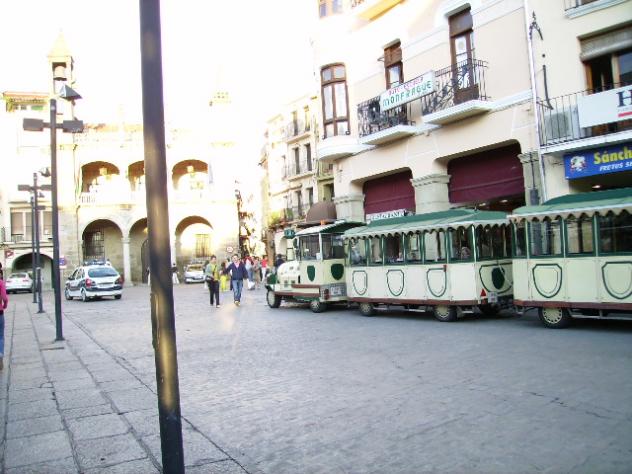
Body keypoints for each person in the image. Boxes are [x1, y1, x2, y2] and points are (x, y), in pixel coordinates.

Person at [0, 269, 8, 371]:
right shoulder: (1, 282)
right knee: (1, 336)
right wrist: (4, 305)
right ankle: (0, 354)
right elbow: (4, 298)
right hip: (0, 312)